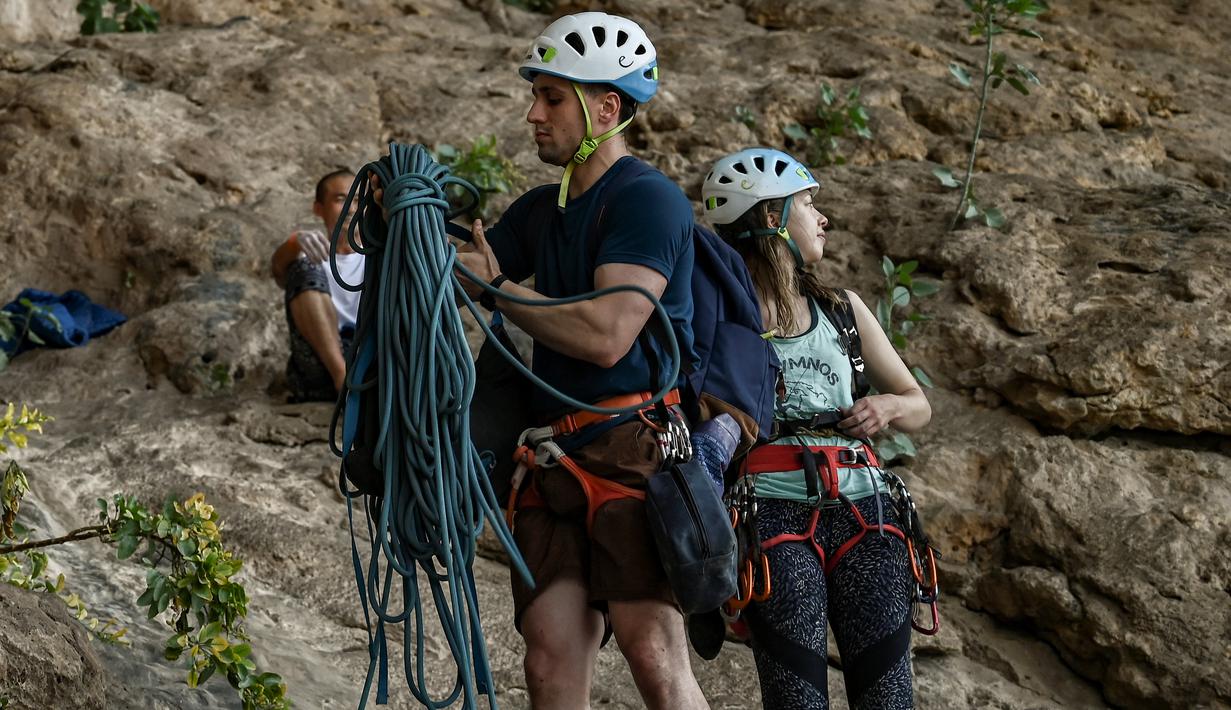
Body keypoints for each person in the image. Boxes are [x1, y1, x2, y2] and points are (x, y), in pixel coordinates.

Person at [452, 12, 708, 710]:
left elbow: (605, 335)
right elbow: (466, 271)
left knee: (652, 652)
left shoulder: (645, 199)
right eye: (535, 96)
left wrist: (498, 292)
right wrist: (406, 221)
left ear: (606, 106)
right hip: (551, 460)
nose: (532, 114)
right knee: (547, 660)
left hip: (631, 451)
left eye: (552, 98)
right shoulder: (544, 209)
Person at [701, 147, 932, 709]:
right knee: (796, 701)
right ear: (770, 216)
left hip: (866, 510)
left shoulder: (844, 310)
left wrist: (885, 409)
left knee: (889, 699)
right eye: (807, 203)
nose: (822, 217)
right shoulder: (720, 316)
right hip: (769, 512)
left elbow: (917, 401)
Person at [270, 169, 362, 402]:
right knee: (303, 268)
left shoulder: (380, 256)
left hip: (370, 361)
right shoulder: (309, 254)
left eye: (358, 200)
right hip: (320, 368)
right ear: (318, 208)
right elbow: (279, 269)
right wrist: (295, 241)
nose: (351, 208)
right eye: (341, 199)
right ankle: (342, 378)